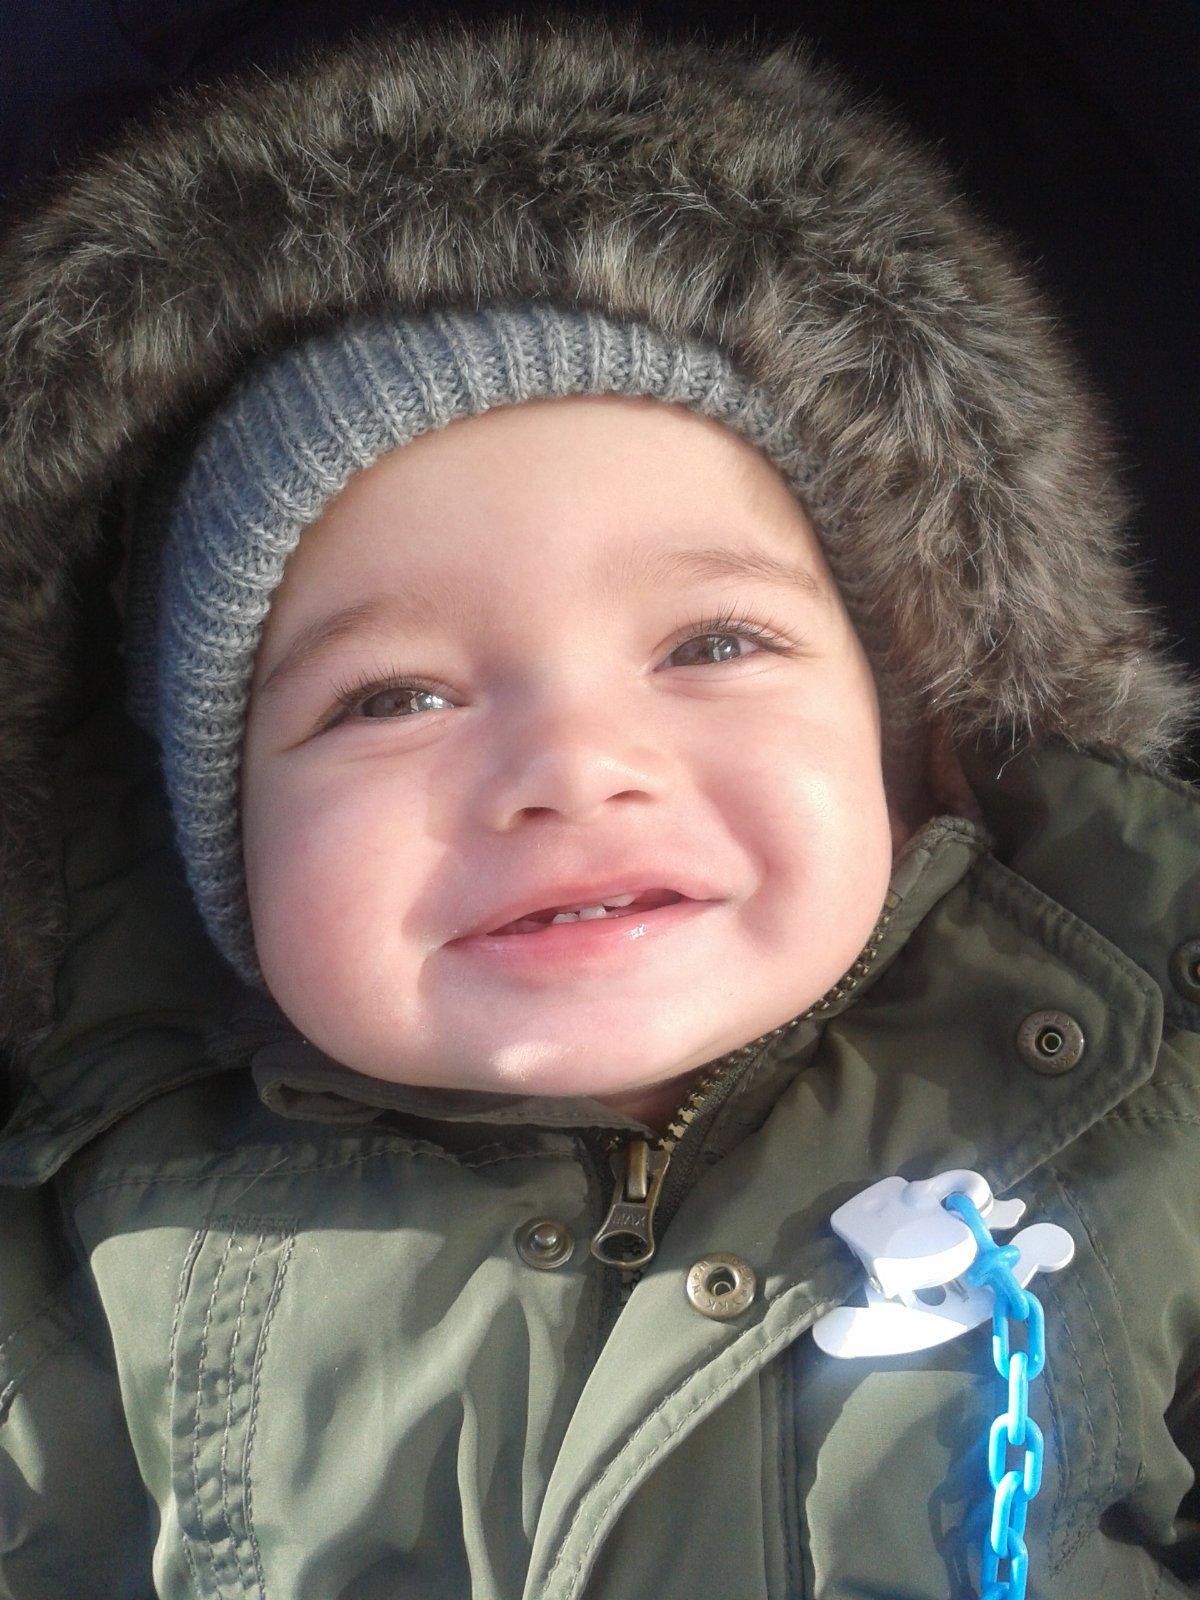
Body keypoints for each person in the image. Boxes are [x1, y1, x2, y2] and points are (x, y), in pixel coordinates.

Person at [0, 12, 1198, 1599]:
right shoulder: (82, 1235)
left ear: (912, 741)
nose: (574, 766)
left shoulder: (1154, 1114)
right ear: (220, 837)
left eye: (713, 645)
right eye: (392, 698)